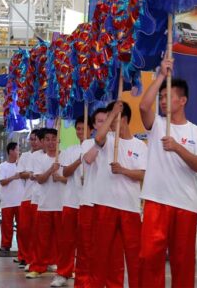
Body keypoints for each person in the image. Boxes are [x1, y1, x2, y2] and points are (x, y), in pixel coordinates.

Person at [138, 58, 197, 288]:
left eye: (167, 97)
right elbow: (143, 107)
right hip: (156, 201)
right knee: (149, 257)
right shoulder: (158, 125)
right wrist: (161, 74)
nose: (162, 101)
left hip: (185, 204)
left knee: (183, 261)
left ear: (183, 100)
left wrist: (177, 147)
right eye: (161, 97)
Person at [91, 101, 147, 288]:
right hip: (105, 204)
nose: (110, 122)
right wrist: (113, 112)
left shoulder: (140, 146)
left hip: (129, 207)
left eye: (114, 118)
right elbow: (98, 138)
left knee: (134, 255)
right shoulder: (107, 140)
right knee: (101, 254)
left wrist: (123, 170)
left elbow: (143, 174)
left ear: (124, 119)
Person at [75, 108, 124, 288]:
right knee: (87, 249)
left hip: (112, 204)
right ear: (94, 125)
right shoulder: (89, 143)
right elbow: (88, 159)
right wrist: (99, 143)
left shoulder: (121, 143)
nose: (105, 123)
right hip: (90, 202)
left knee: (113, 252)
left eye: (108, 119)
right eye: (100, 121)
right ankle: (84, 284)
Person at [53, 116, 92, 287]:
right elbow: (66, 173)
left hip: (89, 202)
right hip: (71, 201)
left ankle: (85, 275)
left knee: (87, 242)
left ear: (91, 130)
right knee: (67, 240)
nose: (80, 132)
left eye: (84, 128)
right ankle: (63, 273)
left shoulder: (98, 148)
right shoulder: (70, 150)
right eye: (78, 128)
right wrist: (79, 160)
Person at [26, 128, 66, 279]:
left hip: (62, 205)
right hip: (44, 205)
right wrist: (51, 170)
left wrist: (60, 177)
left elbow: (71, 179)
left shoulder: (65, 156)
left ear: (58, 140)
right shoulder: (39, 159)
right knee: (41, 240)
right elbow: (40, 180)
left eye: (53, 139)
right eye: (47, 139)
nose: (51, 142)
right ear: (44, 141)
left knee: (62, 240)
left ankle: (64, 268)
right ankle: (37, 267)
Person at [16, 129, 43, 269]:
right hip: (27, 196)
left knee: (37, 230)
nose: (34, 142)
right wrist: (31, 174)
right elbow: (21, 174)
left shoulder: (44, 155)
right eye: (31, 139)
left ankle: (35, 258)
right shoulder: (25, 156)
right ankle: (24, 256)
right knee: (24, 228)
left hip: (40, 197)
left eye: (36, 139)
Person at [0, 142, 24, 253]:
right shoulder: (2, 166)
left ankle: (22, 248)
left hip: (20, 201)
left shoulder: (21, 166)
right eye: (17, 150)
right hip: (7, 201)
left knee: (22, 226)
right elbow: (2, 182)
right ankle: (5, 245)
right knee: (6, 225)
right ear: (11, 151)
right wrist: (13, 177)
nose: (19, 152)